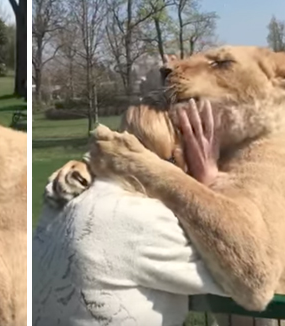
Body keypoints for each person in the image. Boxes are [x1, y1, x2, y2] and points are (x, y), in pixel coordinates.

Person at [33, 99, 226, 326]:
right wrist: (208, 185)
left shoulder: (61, 199)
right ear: (176, 160)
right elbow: (243, 278)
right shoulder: (149, 219)